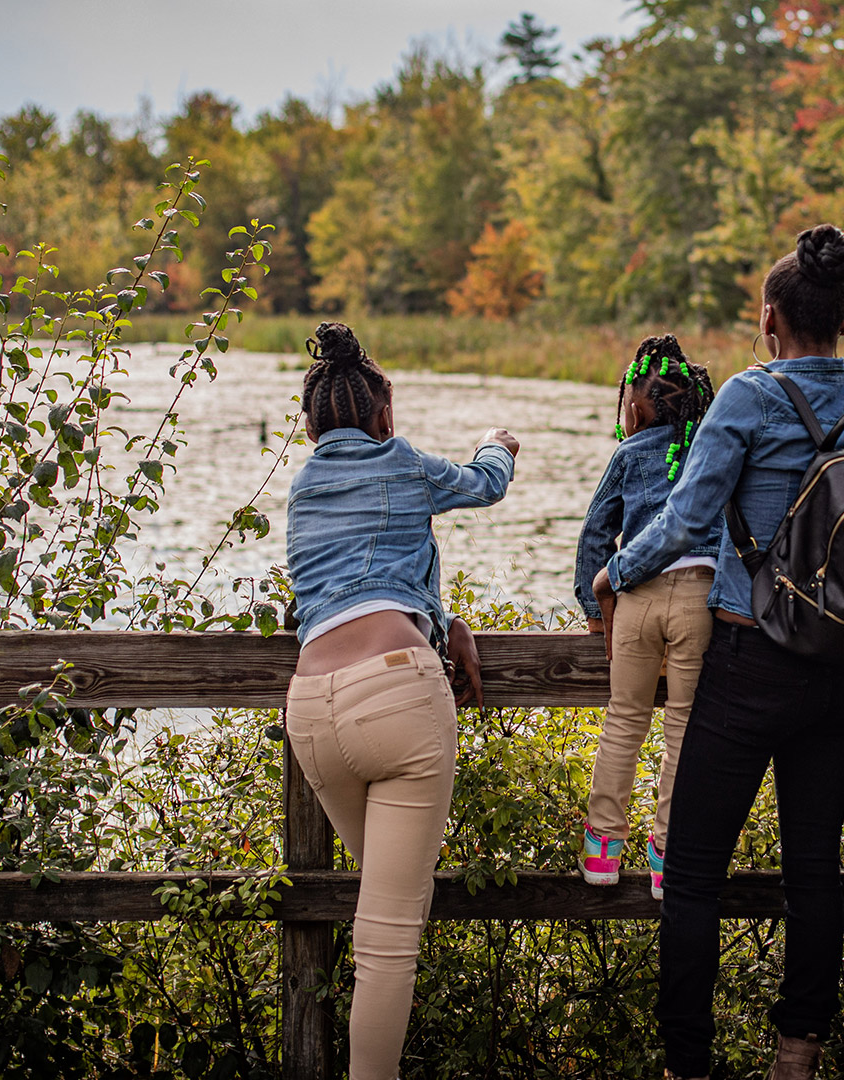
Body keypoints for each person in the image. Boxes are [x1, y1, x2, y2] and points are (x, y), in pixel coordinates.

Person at [593, 224, 844, 1080]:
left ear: (769, 320)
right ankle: (796, 1055)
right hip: (842, 674)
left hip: (748, 660)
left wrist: (616, 572)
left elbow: (687, 520)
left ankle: (688, 1064)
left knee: (694, 872)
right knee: (814, 872)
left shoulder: (745, 397)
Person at [281, 322, 519, 1080]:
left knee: (391, 906)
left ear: (310, 429)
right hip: (396, 696)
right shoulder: (405, 461)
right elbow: (484, 485)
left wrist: (443, 621)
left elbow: (344, 587)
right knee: (388, 938)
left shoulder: (302, 491)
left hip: (311, 711)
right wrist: (497, 444)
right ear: (385, 416)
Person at [572, 334, 721, 900]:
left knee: (624, 720)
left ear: (634, 409)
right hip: (699, 602)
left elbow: (595, 533)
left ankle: (602, 850)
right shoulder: (714, 452)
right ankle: (667, 855)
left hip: (634, 598)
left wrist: (595, 612)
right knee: (682, 727)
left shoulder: (629, 454)